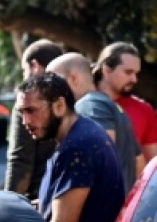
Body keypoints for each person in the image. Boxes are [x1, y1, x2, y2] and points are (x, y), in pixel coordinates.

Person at [18, 72, 125, 222]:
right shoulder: (81, 134)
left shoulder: (78, 147)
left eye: (31, 110)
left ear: (59, 105)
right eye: (22, 112)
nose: (25, 121)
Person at [48, 52, 142, 191]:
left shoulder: (89, 106)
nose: (49, 90)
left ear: (73, 78)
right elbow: (139, 161)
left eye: (54, 81)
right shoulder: (110, 105)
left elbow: (99, 160)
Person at [6, 39, 64, 198]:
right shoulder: (74, 100)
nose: (25, 76)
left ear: (34, 65)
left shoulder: (27, 102)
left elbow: (20, 160)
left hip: (40, 197)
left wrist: (9, 202)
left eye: (24, 70)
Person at [95, 42, 157, 163]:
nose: (134, 79)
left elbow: (153, 165)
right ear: (106, 70)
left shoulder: (144, 109)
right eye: (128, 72)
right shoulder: (82, 103)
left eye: (136, 73)